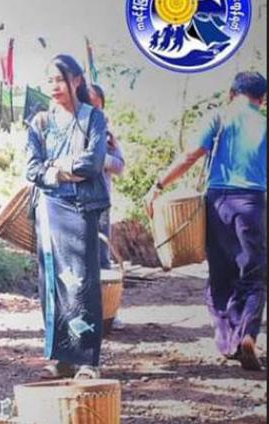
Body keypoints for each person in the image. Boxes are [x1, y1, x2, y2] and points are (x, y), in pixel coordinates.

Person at [145, 72, 266, 371]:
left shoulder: (219, 117)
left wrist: (159, 185)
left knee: (220, 275)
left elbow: (190, 156)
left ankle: (229, 342)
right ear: (262, 99)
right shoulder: (264, 122)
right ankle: (248, 334)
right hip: (252, 204)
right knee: (253, 276)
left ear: (231, 93)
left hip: (218, 203)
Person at [26, 55, 109, 380]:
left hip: (82, 209)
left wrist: (56, 168)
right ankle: (59, 357)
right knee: (52, 283)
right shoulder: (40, 123)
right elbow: (31, 168)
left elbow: (93, 162)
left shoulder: (93, 119)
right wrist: (61, 173)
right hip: (49, 210)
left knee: (84, 282)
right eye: (50, 81)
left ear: (76, 80)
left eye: (60, 79)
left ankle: (88, 360)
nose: (54, 87)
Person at [89, 84, 126, 329]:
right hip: (74, 202)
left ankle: (107, 313)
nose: (92, 106)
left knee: (102, 256)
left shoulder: (107, 135)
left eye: (96, 103)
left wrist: (98, 160)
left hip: (101, 202)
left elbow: (120, 166)